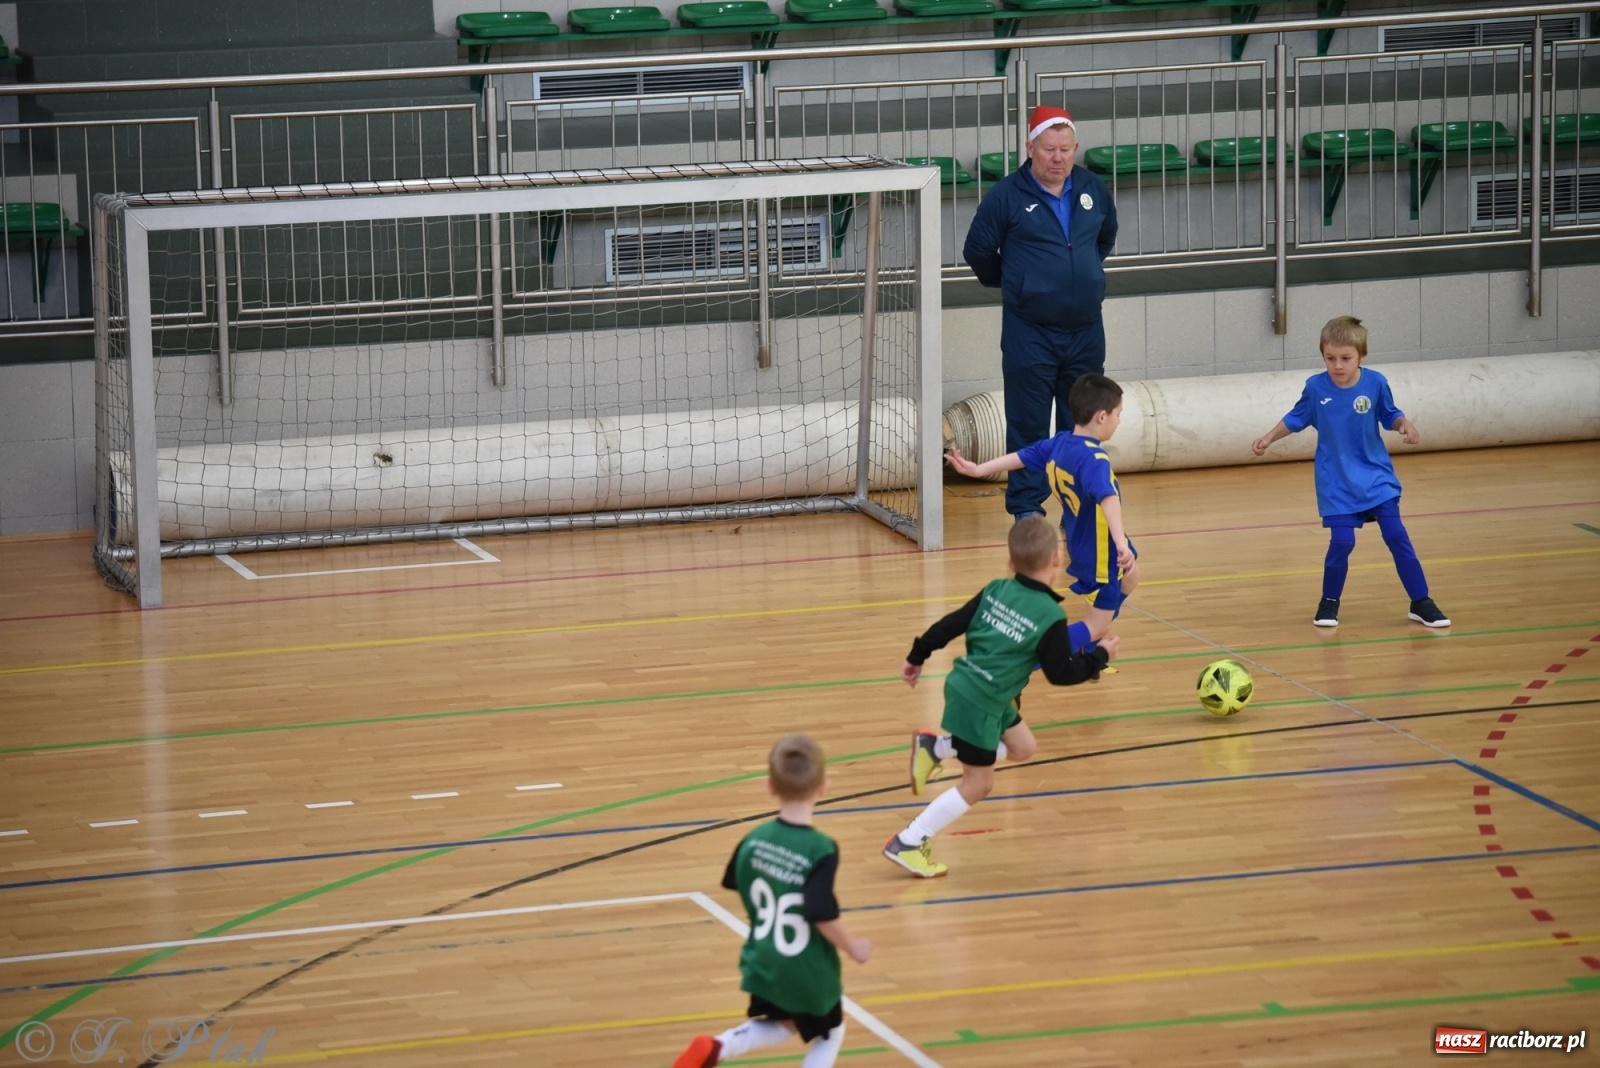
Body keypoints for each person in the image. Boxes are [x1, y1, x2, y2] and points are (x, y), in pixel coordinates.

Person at [883, 516, 1116, 879]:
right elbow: (1060, 673)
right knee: (979, 783)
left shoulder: (995, 589)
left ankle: (936, 748)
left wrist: (917, 655)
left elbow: (950, 623)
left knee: (1024, 747)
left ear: (1009, 562)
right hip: (981, 700)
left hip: (971, 687)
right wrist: (1099, 657)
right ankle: (910, 841)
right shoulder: (1051, 614)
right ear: (1056, 560)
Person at [963, 104, 1120, 522]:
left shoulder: (1092, 188)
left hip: (1086, 329)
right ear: (1030, 147)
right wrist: (1021, 284)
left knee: (1082, 426)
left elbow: (1105, 238)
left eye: (1066, 150)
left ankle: (1078, 509)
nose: (1058, 158)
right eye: (1049, 149)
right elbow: (977, 252)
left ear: (1076, 149)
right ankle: (1027, 509)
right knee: (1028, 423)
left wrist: (1078, 278)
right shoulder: (1006, 197)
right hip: (1028, 331)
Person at [674, 734, 871, 1068]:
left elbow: (734, 881)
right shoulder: (821, 848)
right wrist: (852, 947)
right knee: (830, 1032)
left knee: (785, 1023)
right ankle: (719, 1047)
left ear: (769, 786)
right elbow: (821, 911)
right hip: (806, 966)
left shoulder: (754, 839)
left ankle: (719, 1046)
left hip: (764, 958)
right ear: (824, 786)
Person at [1250, 315, 1450, 629]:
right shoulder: (1316, 388)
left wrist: (1404, 424)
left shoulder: (1375, 383)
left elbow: (1390, 414)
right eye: (1330, 358)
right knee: (1342, 542)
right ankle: (1329, 602)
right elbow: (1296, 417)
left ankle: (1421, 601)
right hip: (1336, 482)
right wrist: (1267, 438)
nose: (1338, 366)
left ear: (1361, 357)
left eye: (1345, 358)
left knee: (1397, 535)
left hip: (1375, 476)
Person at [946, 373, 1139, 653]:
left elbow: (1021, 457)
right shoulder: (1095, 459)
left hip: (1085, 540)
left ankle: (1084, 647)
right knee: (1098, 625)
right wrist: (1121, 544)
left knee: (1133, 577)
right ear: (1101, 417)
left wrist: (978, 469)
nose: (1119, 421)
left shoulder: (1060, 443)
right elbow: (1109, 499)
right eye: (1118, 414)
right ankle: (1031, 655)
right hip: (1102, 551)